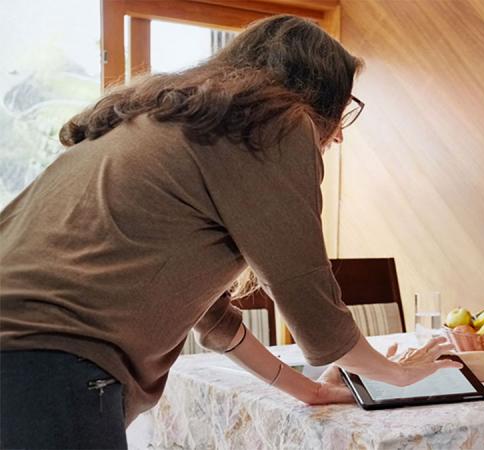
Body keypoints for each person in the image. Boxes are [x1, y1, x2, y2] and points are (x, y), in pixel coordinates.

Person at [0, 15, 459, 449]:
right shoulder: (274, 122)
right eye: (342, 110)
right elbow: (307, 293)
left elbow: (211, 316)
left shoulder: (167, 122)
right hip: (47, 361)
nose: (337, 136)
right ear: (318, 96)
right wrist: (394, 375)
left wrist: (308, 391)